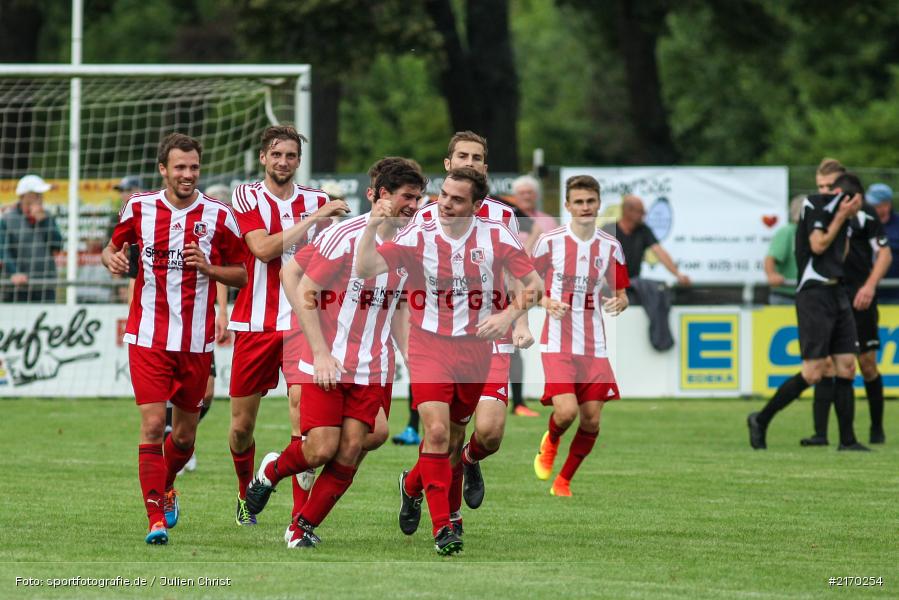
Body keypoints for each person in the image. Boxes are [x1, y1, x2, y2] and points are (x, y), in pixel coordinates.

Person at [357, 166, 543, 555]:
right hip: (429, 346)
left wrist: (508, 317)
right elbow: (365, 267)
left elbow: (535, 286)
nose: (445, 204)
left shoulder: (496, 234)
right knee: (438, 433)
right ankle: (445, 528)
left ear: (476, 206)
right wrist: (372, 228)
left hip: (475, 349)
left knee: (458, 439)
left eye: (456, 200)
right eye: (443, 195)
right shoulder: (420, 232)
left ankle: (411, 488)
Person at [244, 158, 426, 548]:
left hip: (373, 368)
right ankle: (272, 471)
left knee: (358, 443)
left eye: (418, 197)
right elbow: (303, 286)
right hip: (328, 361)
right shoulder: (344, 235)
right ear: (380, 196)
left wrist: (412, 356)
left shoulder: (413, 243)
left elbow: (398, 307)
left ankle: (301, 527)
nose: (414, 205)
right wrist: (320, 351)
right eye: (407, 197)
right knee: (322, 449)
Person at [102, 133, 248, 545]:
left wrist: (210, 268)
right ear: (163, 169)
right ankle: (155, 519)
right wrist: (110, 258)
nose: (187, 174)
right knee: (152, 425)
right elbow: (112, 249)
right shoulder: (139, 208)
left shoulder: (219, 215)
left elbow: (241, 272)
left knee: (183, 437)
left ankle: (165, 485)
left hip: (196, 342)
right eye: (179, 167)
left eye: (194, 167)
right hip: (147, 337)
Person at [406, 132, 537, 535]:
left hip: (489, 333)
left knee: (490, 434)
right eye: (461, 155)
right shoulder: (425, 216)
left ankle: (466, 461)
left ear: (485, 167)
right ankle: (444, 516)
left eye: (476, 157)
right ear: (447, 164)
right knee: (442, 433)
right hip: (437, 337)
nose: (468, 161)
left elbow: (519, 275)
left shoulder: (502, 217)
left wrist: (520, 321)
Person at [227, 125, 349, 526]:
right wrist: (317, 216)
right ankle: (248, 491)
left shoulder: (317, 200)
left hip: (303, 325)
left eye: (290, 156)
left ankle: (299, 513)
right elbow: (262, 249)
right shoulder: (247, 195)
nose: (283, 162)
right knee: (242, 427)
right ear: (263, 158)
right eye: (276, 155)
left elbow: (333, 260)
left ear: (299, 160)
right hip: (255, 324)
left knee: (303, 418)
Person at [747, 172, 869, 451]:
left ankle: (847, 441)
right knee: (814, 372)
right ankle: (761, 419)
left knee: (847, 366)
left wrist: (846, 220)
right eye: (858, 201)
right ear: (847, 197)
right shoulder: (813, 206)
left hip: (838, 292)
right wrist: (841, 218)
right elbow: (818, 245)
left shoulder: (847, 218)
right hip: (815, 295)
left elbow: (842, 254)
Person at [532, 175, 629, 496]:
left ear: (599, 203)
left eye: (590, 201)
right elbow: (528, 285)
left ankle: (563, 481)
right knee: (567, 412)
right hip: (557, 342)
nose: (585, 207)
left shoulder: (611, 246)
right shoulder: (550, 241)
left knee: (592, 421)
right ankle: (552, 440)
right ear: (567, 206)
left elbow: (621, 291)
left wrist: (620, 300)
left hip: (594, 346)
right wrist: (545, 301)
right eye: (579, 202)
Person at [603, 194, 689, 351]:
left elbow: (659, 252)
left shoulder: (643, 231)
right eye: (641, 212)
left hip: (631, 288)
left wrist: (677, 274)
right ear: (628, 211)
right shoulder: (608, 230)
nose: (644, 215)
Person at [507, 174, 555, 417]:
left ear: (536, 195)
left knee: (516, 345)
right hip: (500, 287)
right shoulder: (507, 216)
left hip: (532, 291)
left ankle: (518, 402)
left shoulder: (548, 222)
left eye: (530, 193)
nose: (526, 197)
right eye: (522, 193)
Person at [0, 174, 63, 303]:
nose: (41, 198)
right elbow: (3, 250)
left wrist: (44, 221)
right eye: (37, 194)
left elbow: (58, 245)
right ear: (25, 196)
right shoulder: (7, 218)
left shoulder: (47, 216)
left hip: (45, 283)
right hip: (17, 286)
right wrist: (14, 273)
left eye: (41, 194)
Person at [764, 196, 804, 305]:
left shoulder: (817, 234)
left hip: (809, 295)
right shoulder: (787, 232)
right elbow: (770, 258)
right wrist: (771, 275)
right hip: (785, 296)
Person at [867, 183, 899, 304]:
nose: (871, 207)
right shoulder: (864, 222)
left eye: (876, 205)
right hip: (867, 295)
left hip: (895, 296)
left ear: (887, 205)